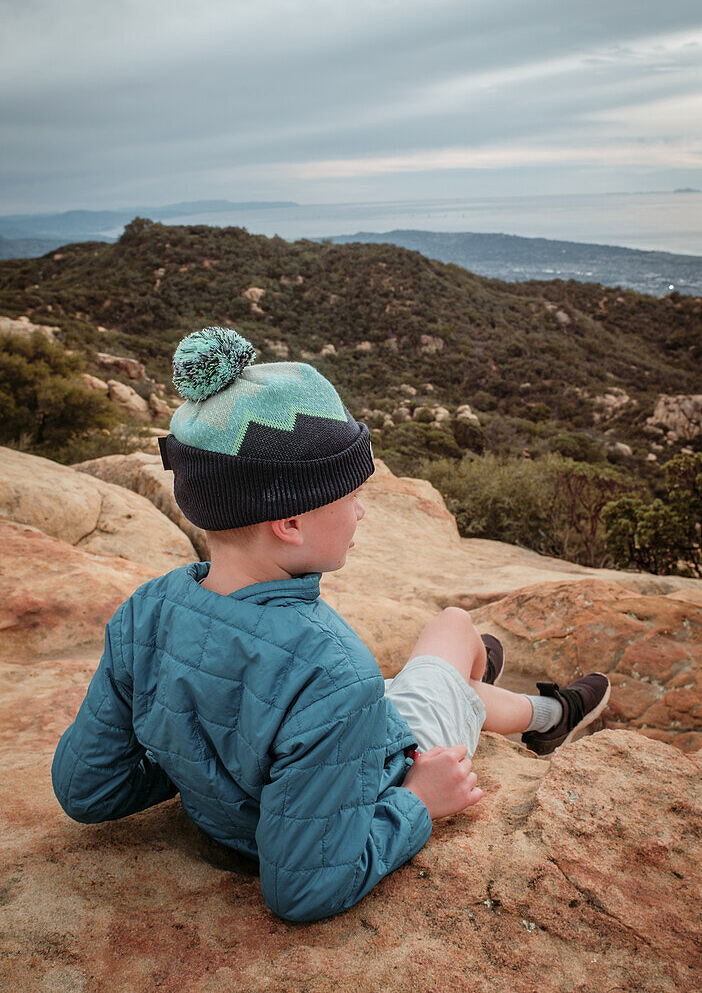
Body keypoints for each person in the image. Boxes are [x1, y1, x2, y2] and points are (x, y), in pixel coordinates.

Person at [51, 326, 610, 923]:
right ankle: (550, 714)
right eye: (350, 494)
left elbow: (87, 790)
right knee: (453, 628)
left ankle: (504, 699)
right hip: (390, 773)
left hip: (311, 758)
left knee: (444, 677)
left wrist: (195, 755)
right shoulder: (333, 670)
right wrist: (420, 803)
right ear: (290, 523)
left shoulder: (147, 609)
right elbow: (305, 889)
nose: (362, 508)